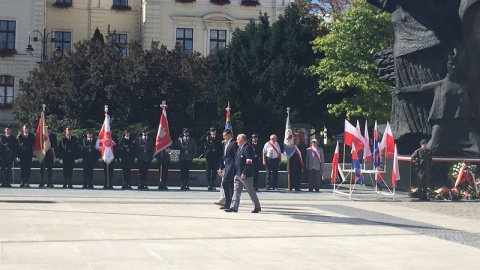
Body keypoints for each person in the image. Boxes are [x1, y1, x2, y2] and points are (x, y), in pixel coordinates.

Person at [225, 134, 261, 213]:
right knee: (236, 191)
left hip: (245, 175)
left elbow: (249, 161)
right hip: (238, 174)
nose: (236, 141)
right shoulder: (239, 149)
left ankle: (257, 206)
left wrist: (245, 172)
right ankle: (234, 206)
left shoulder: (247, 148)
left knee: (250, 190)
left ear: (242, 140)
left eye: (238, 139)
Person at [218, 129, 236, 209]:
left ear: (229, 135)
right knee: (230, 184)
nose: (224, 137)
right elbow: (223, 156)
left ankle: (228, 202)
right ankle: (229, 203)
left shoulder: (234, 143)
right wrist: (220, 167)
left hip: (231, 166)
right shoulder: (225, 144)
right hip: (226, 166)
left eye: (225, 135)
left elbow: (236, 155)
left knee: (225, 182)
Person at [204, 127, 222, 191]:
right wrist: (206, 134)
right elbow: (201, 140)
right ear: (210, 132)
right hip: (209, 157)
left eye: (214, 131)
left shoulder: (218, 138)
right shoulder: (207, 138)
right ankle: (209, 184)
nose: (213, 132)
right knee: (208, 171)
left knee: (214, 171)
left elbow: (220, 148)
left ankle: (213, 184)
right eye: (212, 131)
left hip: (215, 157)